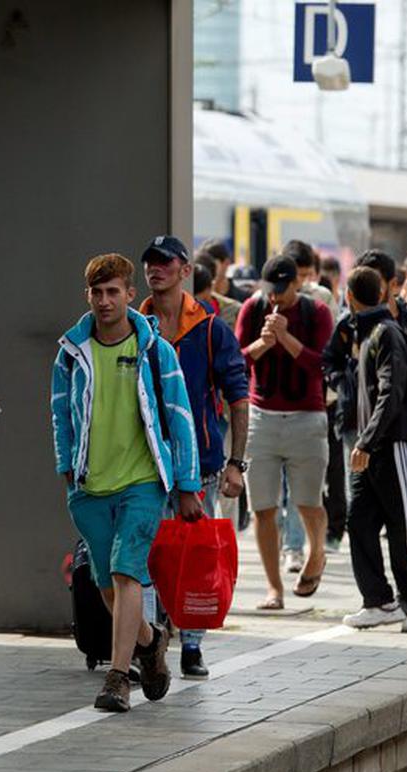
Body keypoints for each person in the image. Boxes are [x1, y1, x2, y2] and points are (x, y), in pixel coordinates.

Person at [51, 252, 200, 712]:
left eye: (113, 291)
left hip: (142, 483)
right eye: (97, 292)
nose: (104, 300)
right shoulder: (72, 352)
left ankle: (118, 676)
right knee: (106, 584)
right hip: (90, 488)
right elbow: (61, 414)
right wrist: (66, 468)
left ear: (130, 294)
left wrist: (188, 483)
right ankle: (151, 642)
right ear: (87, 296)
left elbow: (180, 417)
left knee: (126, 570)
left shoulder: (156, 350)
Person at [139, 234, 249, 679]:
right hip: (141, 465)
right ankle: (147, 641)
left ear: (185, 270)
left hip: (198, 466)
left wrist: (236, 463)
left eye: (166, 262)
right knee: (142, 556)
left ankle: (192, 645)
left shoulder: (209, 329)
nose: (156, 269)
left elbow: (238, 398)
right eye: (150, 262)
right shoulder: (133, 326)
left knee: (195, 558)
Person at [234, 247, 333, 608]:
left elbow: (322, 365)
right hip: (262, 417)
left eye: (282, 288)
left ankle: (316, 553)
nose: (274, 296)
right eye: (269, 288)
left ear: (298, 283)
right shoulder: (253, 307)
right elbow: (237, 360)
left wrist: (288, 339)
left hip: (307, 418)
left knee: (308, 503)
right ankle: (273, 588)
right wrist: (263, 342)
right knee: (263, 508)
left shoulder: (316, 312)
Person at [339, 267, 407, 633]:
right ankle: (379, 600)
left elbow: (391, 394)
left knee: (406, 528)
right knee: (359, 521)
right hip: (373, 448)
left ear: (349, 296)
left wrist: (366, 440)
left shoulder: (387, 333)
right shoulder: (368, 334)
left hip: (393, 445)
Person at [198, 238, 250, 302]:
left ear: (226, 263)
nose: (207, 269)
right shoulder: (196, 297)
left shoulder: (244, 298)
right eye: (203, 264)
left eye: (212, 264)